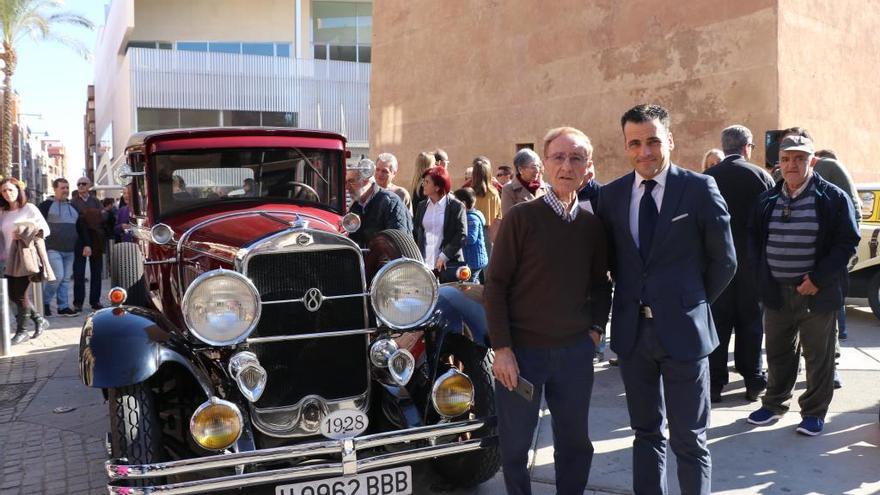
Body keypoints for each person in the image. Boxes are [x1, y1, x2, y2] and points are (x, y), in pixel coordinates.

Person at [597, 104, 736, 495]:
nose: (645, 152)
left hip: (685, 335)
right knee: (645, 435)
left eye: (654, 141)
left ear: (670, 141)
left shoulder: (699, 189)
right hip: (632, 334)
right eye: (635, 143)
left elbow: (724, 260)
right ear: (625, 147)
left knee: (690, 440)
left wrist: (690, 304)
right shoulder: (612, 196)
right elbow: (609, 263)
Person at [486, 126, 611, 495]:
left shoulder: (592, 226)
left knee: (575, 445)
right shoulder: (521, 219)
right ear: (545, 164)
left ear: (588, 168)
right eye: (558, 157)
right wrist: (503, 349)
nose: (566, 166)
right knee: (514, 447)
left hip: (574, 353)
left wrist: (595, 331)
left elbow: (601, 285)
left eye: (576, 158)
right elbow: (495, 285)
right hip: (522, 355)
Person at [746, 135, 859, 436]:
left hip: (816, 294)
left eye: (799, 158)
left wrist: (818, 279)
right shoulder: (768, 199)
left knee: (818, 357)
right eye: (786, 159)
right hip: (776, 292)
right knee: (778, 352)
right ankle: (773, 404)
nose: (791, 165)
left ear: (811, 161)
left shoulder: (832, 198)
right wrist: (762, 277)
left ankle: (813, 412)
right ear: (779, 164)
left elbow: (848, 242)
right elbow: (754, 240)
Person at [703, 125, 775, 403]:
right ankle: (753, 379)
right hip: (751, 264)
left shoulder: (707, 178)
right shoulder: (761, 177)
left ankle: (714, 382)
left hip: (717, 266)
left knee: (717, 324)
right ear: (747, 147)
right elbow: (771, 224)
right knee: (751, 323)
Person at [0, 178, 52, 344]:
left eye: (10, 189)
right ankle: (39, 320)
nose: (8, 193)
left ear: (18, 190)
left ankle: (22, 332)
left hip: (25, 257)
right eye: (4, 191)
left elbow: (45, 230)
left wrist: (24, 232)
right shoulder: (3, 212)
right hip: (8, 259)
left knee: (20, 294)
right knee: (12, 295)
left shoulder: (29, 208)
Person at [38, 178, 89, 317]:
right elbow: (37, 225)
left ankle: (63, 306)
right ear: (55, 189)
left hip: (70, 250)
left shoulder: (73, 207)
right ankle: (44, 302)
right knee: (57, 276)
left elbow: (81, 228)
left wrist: (86, 244)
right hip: (52, 248)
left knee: (65, 279)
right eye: (62, 188)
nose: (66, 190)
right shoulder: (45, 206)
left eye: (67, 187)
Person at [412, 166, 467, 282]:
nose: (423, 185)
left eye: (427, 182)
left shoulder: (456, 207)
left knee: (448, 298)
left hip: (449, 264)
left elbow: (461, 235)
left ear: (437, 187)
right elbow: (416, 232)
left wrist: (444, 256)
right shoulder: (422, 206)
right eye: (423, 181)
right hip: (425, 265)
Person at [345, 158, 412, 248]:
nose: (347, 187)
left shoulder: (390, 202)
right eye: (345, 182)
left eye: (351, 181)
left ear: (366, 180)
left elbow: (399, 243)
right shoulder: (355, 207)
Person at [71, 176, 103, 312]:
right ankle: (78, 303)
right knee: (78, 273)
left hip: (95, 239)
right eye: (79, 184)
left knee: (96, 272)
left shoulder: (96, 201)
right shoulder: (72, 202)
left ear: (89, 185)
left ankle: (95, 302)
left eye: (84, 184)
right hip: (79, 240)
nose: (81, 186)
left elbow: (103, 218)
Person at [452, 188, 488, 282]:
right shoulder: (471, 216)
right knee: (474, 280)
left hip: (473, 260)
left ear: (463, 203)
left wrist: (458, 237)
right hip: (474, 259)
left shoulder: (471, 219)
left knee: (471, 283)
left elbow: (471, 238)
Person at [501, 148, 547, 216]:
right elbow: (508, 219)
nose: (537, 170)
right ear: (520, 169)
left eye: (538, 166)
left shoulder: (545, 188)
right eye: (533, 167)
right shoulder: (509, 189)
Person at [471, 157, 502, 249]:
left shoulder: (469, 193)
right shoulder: (494, 193)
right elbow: (499, 216)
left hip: (471, 231)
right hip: (489, 233)